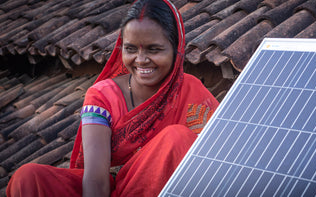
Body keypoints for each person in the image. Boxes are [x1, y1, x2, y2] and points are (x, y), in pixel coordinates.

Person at [6, 0, 219, 196]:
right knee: (29, 177)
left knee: (177, 138)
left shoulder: (190, 90)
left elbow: (216, 162)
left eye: (154, 49)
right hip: (107, 189)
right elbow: (96, 179)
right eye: (131, 49)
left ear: (176, 49)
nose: (141, 60)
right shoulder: (102, 96)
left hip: (156, 189)